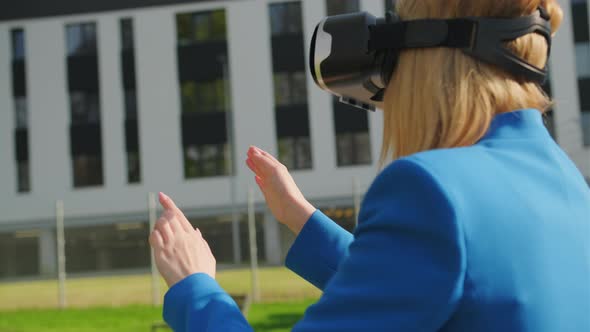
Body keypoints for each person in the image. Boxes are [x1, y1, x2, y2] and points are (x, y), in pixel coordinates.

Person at [149, 0, 590, 331]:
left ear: (427, 53)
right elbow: (436, 283)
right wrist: (301, 219)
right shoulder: (568, 184)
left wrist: (194, 287)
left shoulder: (432, 189)